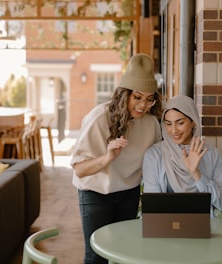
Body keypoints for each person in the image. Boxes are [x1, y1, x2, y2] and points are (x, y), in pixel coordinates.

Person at [70, 53, 163, 264]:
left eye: (149, 99)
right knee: (96, 257)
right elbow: (79, 170)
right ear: (124, 94)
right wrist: (108, 157)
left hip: (128, 192)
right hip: (96, 192)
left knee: (123, 253)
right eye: (137, 97)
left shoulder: (151, 124)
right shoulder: (99, 118)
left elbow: (156, 161)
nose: (142, 105)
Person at [142, 95, 222, 216]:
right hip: (164, 225)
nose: (174, 130)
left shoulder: (211, 154)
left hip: (202, 226)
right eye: (168, 124)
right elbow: (153, 206)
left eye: (180, 123)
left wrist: (196, 174)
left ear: (193, 122)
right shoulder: (154, 155)